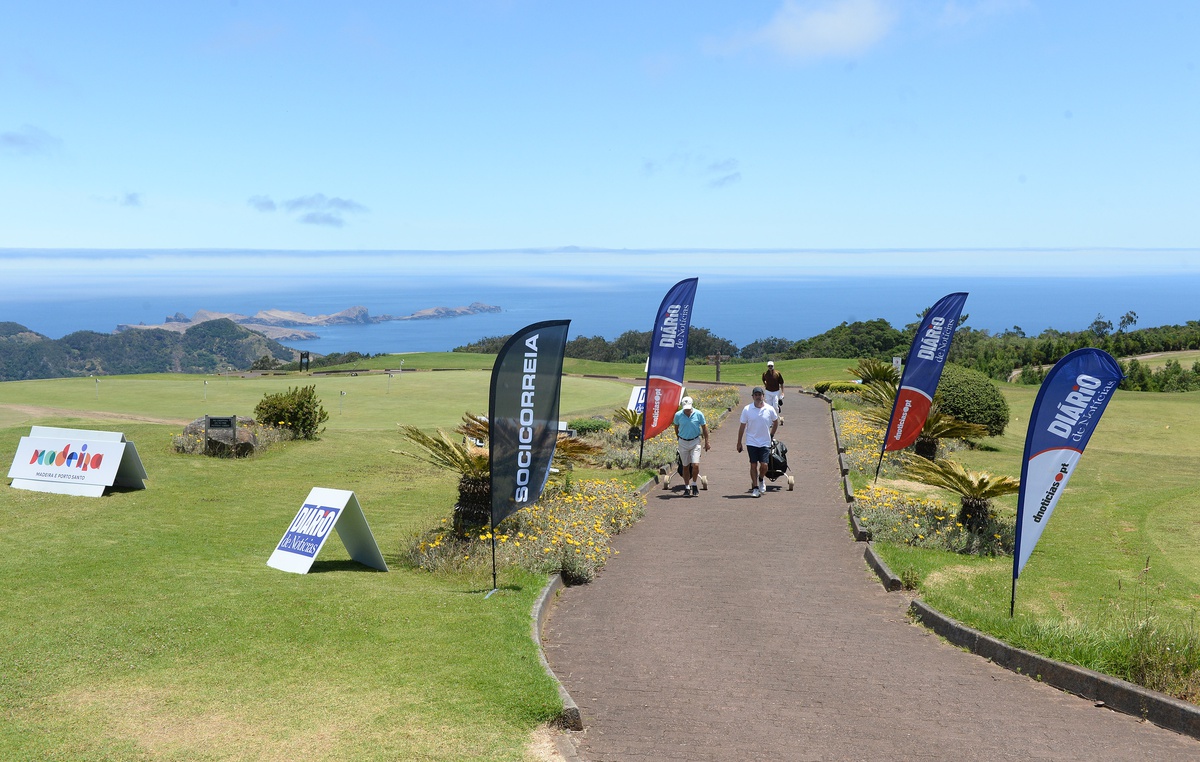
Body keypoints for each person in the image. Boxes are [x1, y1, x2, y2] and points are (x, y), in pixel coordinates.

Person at [736, 386, 779, 498]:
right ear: (753, 396)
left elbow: (775, 422)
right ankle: (755, 488)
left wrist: (772, 434)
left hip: (765, 441)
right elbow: (742, 426)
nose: (758, 397)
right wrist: (739, 442)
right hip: (752, 441)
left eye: (760, 395)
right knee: (753, 464)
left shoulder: (769, 409)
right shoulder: (747, 409)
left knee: (764, 465)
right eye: (756, 395)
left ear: (763, 396)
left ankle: (761, 479)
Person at [672, 395, 710, 496]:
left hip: (695, 441)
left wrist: (707, 442)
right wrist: (678, 437)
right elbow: (676, 427)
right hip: (683, 442)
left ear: (692, 406)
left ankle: (694, 484)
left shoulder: (698, 414)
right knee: (685, 466)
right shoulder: (678, 415)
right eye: (685, 409)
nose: (687, 411)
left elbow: (704, 427)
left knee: (695, 465)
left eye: (689, 409)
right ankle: (687, 487)